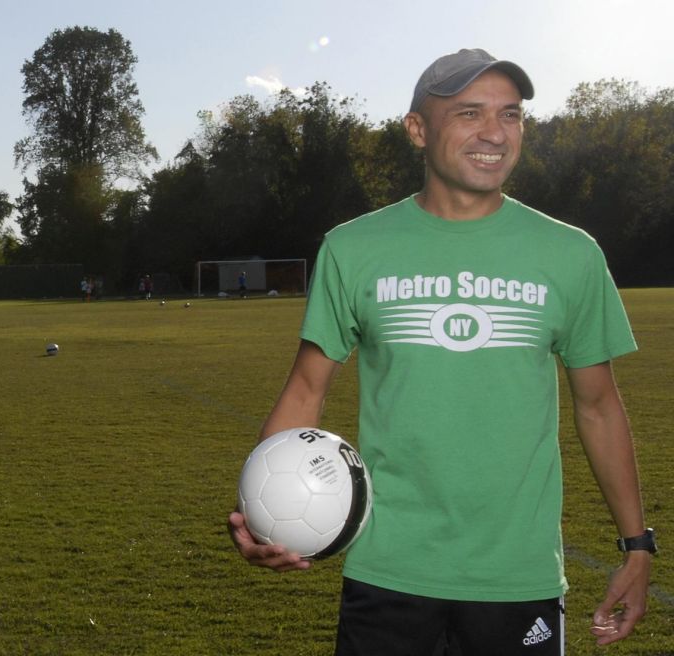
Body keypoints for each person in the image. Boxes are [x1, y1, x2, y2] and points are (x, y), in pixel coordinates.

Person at [228, 48, 655, 655]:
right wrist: (259, 512)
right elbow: (306, 388)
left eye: (510, 115)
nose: (494, 133)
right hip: (387, 570)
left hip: (517, 576)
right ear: (417, 130)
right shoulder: (354, 250)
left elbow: (599, 406)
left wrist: (637, 547)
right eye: (469, 113)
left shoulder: (571, 254)